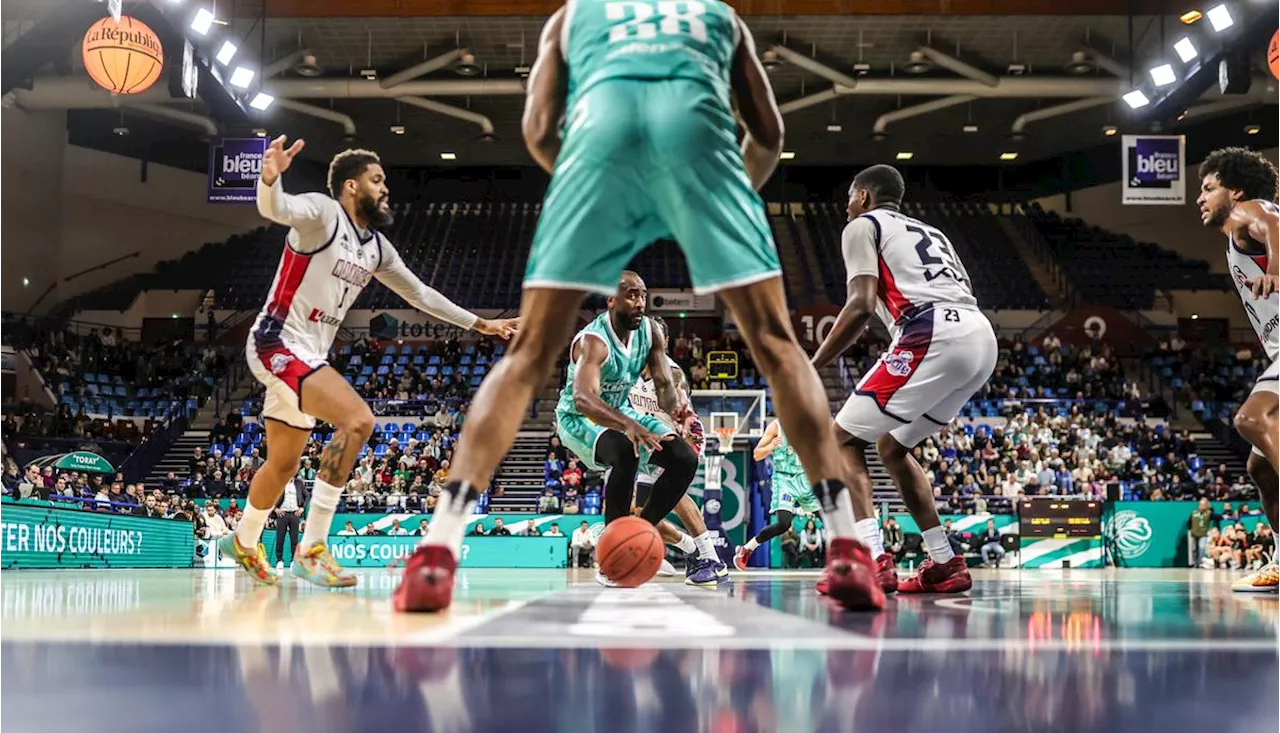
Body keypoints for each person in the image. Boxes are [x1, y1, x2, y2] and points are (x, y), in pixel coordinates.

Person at [399, 0, 877, 614]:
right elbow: (770, 136)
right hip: (701, 140)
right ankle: (847, 550)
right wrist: (720, 194)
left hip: (600, 139)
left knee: (523, 359)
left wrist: (603, 190)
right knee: (780, 349)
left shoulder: (571, 17)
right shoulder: (719, 16)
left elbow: (540, 131)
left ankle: (437, 552)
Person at [218, 138, 517, 589]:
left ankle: (242, 539)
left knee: (282, 465)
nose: (385, 190)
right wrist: (269, 178)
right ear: (351, 186)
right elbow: (276, 208)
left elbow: (420, 295)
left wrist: (481, 324)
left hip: (308, 354)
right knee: (359, 421)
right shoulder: (323, 213)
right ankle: (312, 548)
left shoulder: (375, 247)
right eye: (378, 181)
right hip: (276, 341)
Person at [811, 163, 997, 597]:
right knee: (892, 446)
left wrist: (815, 361)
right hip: (980, 335)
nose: (846, 208)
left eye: (849, 199)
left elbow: (859, 304)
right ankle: (944, 561)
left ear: (864, 197)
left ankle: (871, 559)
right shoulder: (934, 233)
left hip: (932, 329)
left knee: (840, 440)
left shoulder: (862, 226)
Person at [548, 273, 701, 589]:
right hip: (579, 417)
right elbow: (584, 398)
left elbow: (663, 385)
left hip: (623, 411)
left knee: (683, 458)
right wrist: (628, 425)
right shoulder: (593, 342)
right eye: (632, 295)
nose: (640, 303)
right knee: (625, 452)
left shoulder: (650, 332)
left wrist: (678, 408)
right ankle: (609, 563)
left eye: (643, 295)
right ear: (611, 300)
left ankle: (634, 533)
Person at [1196, 147, 1280, 592]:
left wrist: (1278, 270)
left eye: (1209, 188)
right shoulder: (1237, 240)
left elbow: (1272, 220)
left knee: (1251, 418)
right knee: (1261, 469)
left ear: (1237, 191)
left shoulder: (1252, 212)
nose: (1201, 197)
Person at [628, 315, 728, 587]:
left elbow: (681, 410)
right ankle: (691, 550)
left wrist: (679, 440)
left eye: (655, 338)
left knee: (675, 495)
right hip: (652, 441)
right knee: (642, 513)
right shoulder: (631, 370)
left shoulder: (672, 374)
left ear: (665, 341)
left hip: (682, 435)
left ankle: (712, 559)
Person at [735, 419, 819, 571]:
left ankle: (851, 556)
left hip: (804, 477)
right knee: (783, 524)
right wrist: (771, 446)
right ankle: (747, 549)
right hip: (784, 479)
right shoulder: (776, 427)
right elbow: (757, 454)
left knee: (827, 516)